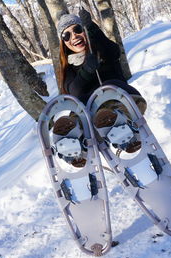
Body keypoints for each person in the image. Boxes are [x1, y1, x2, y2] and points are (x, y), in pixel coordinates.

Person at [53, 9, 146, 167]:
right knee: (78, 115)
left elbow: (113, 51)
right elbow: (74, 90)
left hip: (124, 101)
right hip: (90, 116)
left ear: (84, 31)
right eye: (66, 35)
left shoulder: (101, 50)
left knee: (109, 108)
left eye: (77, 29)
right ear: (64, 43)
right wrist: (86, 71)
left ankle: (124, 131)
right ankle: (74, 146)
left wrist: (92, 28)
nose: (74, 36)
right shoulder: (68, 69)